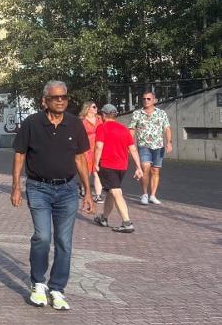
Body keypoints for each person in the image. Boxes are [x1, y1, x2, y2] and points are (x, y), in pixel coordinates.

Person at [11, 80, 93, 311]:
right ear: (45, 101)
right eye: (55, 97)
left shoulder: (75, 124)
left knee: (64, 242)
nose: (60, 101)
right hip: (39, 188)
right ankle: (38, 283)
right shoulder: (32, 123)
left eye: (64, 97)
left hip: (67, 190)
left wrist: (87, 192)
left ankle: (57, 288)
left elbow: (80, 159)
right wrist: (16, 186)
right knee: (43, 237)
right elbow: (19, 155)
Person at [92, 104, 143, 233]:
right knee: (111, 191)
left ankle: (127, 223)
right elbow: (133, 149)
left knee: (116, 192)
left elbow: (99, 146)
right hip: (122, 167)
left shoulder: (102, 127)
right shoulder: (124, 129)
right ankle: (103, 218)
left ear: (103, 115)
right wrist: (138, 167)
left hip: (107, 165)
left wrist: (96, 163)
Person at [129, 91, 171, 205]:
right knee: (145, 167)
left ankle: (152, 195)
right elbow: (132, 129)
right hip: (144, 145)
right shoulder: (137, 114)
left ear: (154, 100)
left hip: (158, 146)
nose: (146, 101)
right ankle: (144, 194)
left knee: (155, 170)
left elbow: (167, 128)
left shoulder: (161, 113)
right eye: (144, 99)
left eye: (148, 99)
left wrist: (169, 142)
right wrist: (129, 143)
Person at [78, 100, 104, 202]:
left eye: (96, 107)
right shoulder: (82, 121)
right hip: (86, 148)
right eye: (94, 107)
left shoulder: (99, 119)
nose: (96, 108)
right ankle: (84, 189)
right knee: (86, 171)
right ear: (87, 108)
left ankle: (98, 195)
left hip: (98, 147)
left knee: (97, 172)